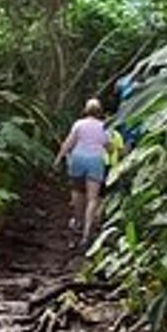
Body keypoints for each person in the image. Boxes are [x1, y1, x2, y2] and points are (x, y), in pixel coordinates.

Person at [55, 98, 110, 248]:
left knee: (78, 193)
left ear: (86, 110)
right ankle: (86, 233)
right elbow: (108, 146)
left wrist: (58, 158)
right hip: (95, 161)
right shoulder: (104, 126)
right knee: (93, 198)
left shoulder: (78, 124)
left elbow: (69, 143)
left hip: (78, 159)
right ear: (100, 112)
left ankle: (77, 222)